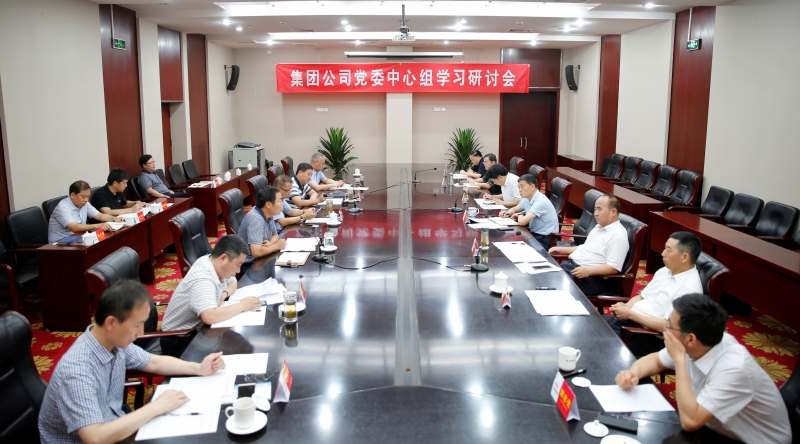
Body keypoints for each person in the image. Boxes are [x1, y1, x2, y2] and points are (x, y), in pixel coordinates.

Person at [38, 279, 227, 444]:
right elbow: (95, 438)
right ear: (111, 323)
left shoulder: (113, 341)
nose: (141, 333)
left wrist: (198, 368)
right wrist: (155, 407)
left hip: (115, 421)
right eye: (137, 325)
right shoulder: (77, 370)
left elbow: (153, 363)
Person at [615, 294, 792, 444]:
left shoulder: (734, 368)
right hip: (714, 425)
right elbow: (656, 360)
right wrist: (633, 373)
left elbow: (690, 422)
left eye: (668, 324)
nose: (665, 329)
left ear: (690, 339)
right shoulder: (700, 342)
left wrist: (679, 359)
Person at [606, 232, 704, 356]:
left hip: (646, 337)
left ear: (684, 257)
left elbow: (669, 327)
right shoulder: (664, 271)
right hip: (629, 321)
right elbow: (641, 296)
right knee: (590, 324)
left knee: (597, 341)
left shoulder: (689, 289)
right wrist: (625, 307)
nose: (663, 253)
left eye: (668, 250)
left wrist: (630, 314)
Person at [160, 235, 261, 356]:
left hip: (198, 331)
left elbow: (233, 282)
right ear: (223, 258)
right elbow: (210, 317)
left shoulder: (213, 262)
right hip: (179, 339)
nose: (239, 270)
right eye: (238, 265)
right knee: (230, 357)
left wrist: (223, 295)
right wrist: (242, 305)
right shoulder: (203, 279)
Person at [549, 194, 629, 296]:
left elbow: (613, 267)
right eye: (595, 209)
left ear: (613, 211)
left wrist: (588, 271)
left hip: (590, 279)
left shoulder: (618, 236)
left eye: (599, 209)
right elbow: (585, 248)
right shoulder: (598, 227)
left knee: (551, 287)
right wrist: (562, 249)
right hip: (572, 267)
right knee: (543, 277)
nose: (595, 213)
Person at [47, 181, 122, 243]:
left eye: (88, 197)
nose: (86, 200)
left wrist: (113, 219)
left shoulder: (85, 204)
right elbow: (74, 227)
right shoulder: (63, 207)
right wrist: (97, 226)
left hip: (78, 237)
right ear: (72, 195)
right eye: (83, 197)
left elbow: (99, 216)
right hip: (60, 243)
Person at [499, 173, 559, 251]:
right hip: (533, 234)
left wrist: (520, 214)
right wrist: (508, 213)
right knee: (508, 242)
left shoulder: (540, 201)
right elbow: (515, 209)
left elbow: (522, 222)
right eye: (518, 187)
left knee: (515, 249)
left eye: (522, 186)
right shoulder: (527, 198)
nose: (520, 190)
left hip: (545, 239)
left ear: (532, 186)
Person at [237, 187, 286, 265]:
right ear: (268, 204)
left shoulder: (268, 213)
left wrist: (270, 244)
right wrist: (276, 246)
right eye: (279, 201)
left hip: (262, 257)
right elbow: (256, 252)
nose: (282, 204)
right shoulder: (256, 220)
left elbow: (275, 235)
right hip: (250, 264)